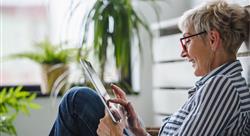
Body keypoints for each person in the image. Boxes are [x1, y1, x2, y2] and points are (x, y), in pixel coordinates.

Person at [49, 1, 250, 136]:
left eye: (186, 40)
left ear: (213, 39)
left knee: (76, 100)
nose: (183, 52)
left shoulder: (222, 87)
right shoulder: (218, 85)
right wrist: (137, 129)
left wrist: (115, 134)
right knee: (77, 99)